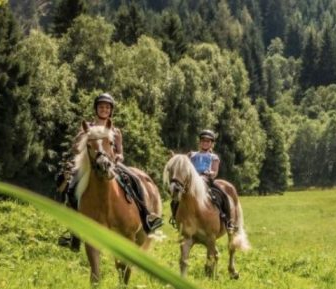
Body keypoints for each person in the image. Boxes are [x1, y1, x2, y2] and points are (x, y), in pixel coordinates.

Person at [57, 93, 162, 250]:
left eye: (107, 107)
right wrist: (82, 140)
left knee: (135, 180)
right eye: (101, 107)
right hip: (91, 166)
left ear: (111, 110)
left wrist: (118, 157)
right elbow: (75, 147)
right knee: (71, 186)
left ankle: (147, 216)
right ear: (96, 109)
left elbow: (120, 152)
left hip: (112, 164)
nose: (104, 109)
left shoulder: (115, 131)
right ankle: (74, 233)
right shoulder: (87, 128)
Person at [171, 129, 234, 231]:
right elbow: (184, 165)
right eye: (203, 141)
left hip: (206, 181)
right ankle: (176, 218)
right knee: (176, 199)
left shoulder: (213, 157)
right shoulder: (192, 155)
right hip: (192, 182)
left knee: (222, 195)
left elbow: (215, 171)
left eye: (208, 141)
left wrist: (210, 173)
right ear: (199, 142)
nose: (205, 143)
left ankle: (227, 220)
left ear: (211, 144)